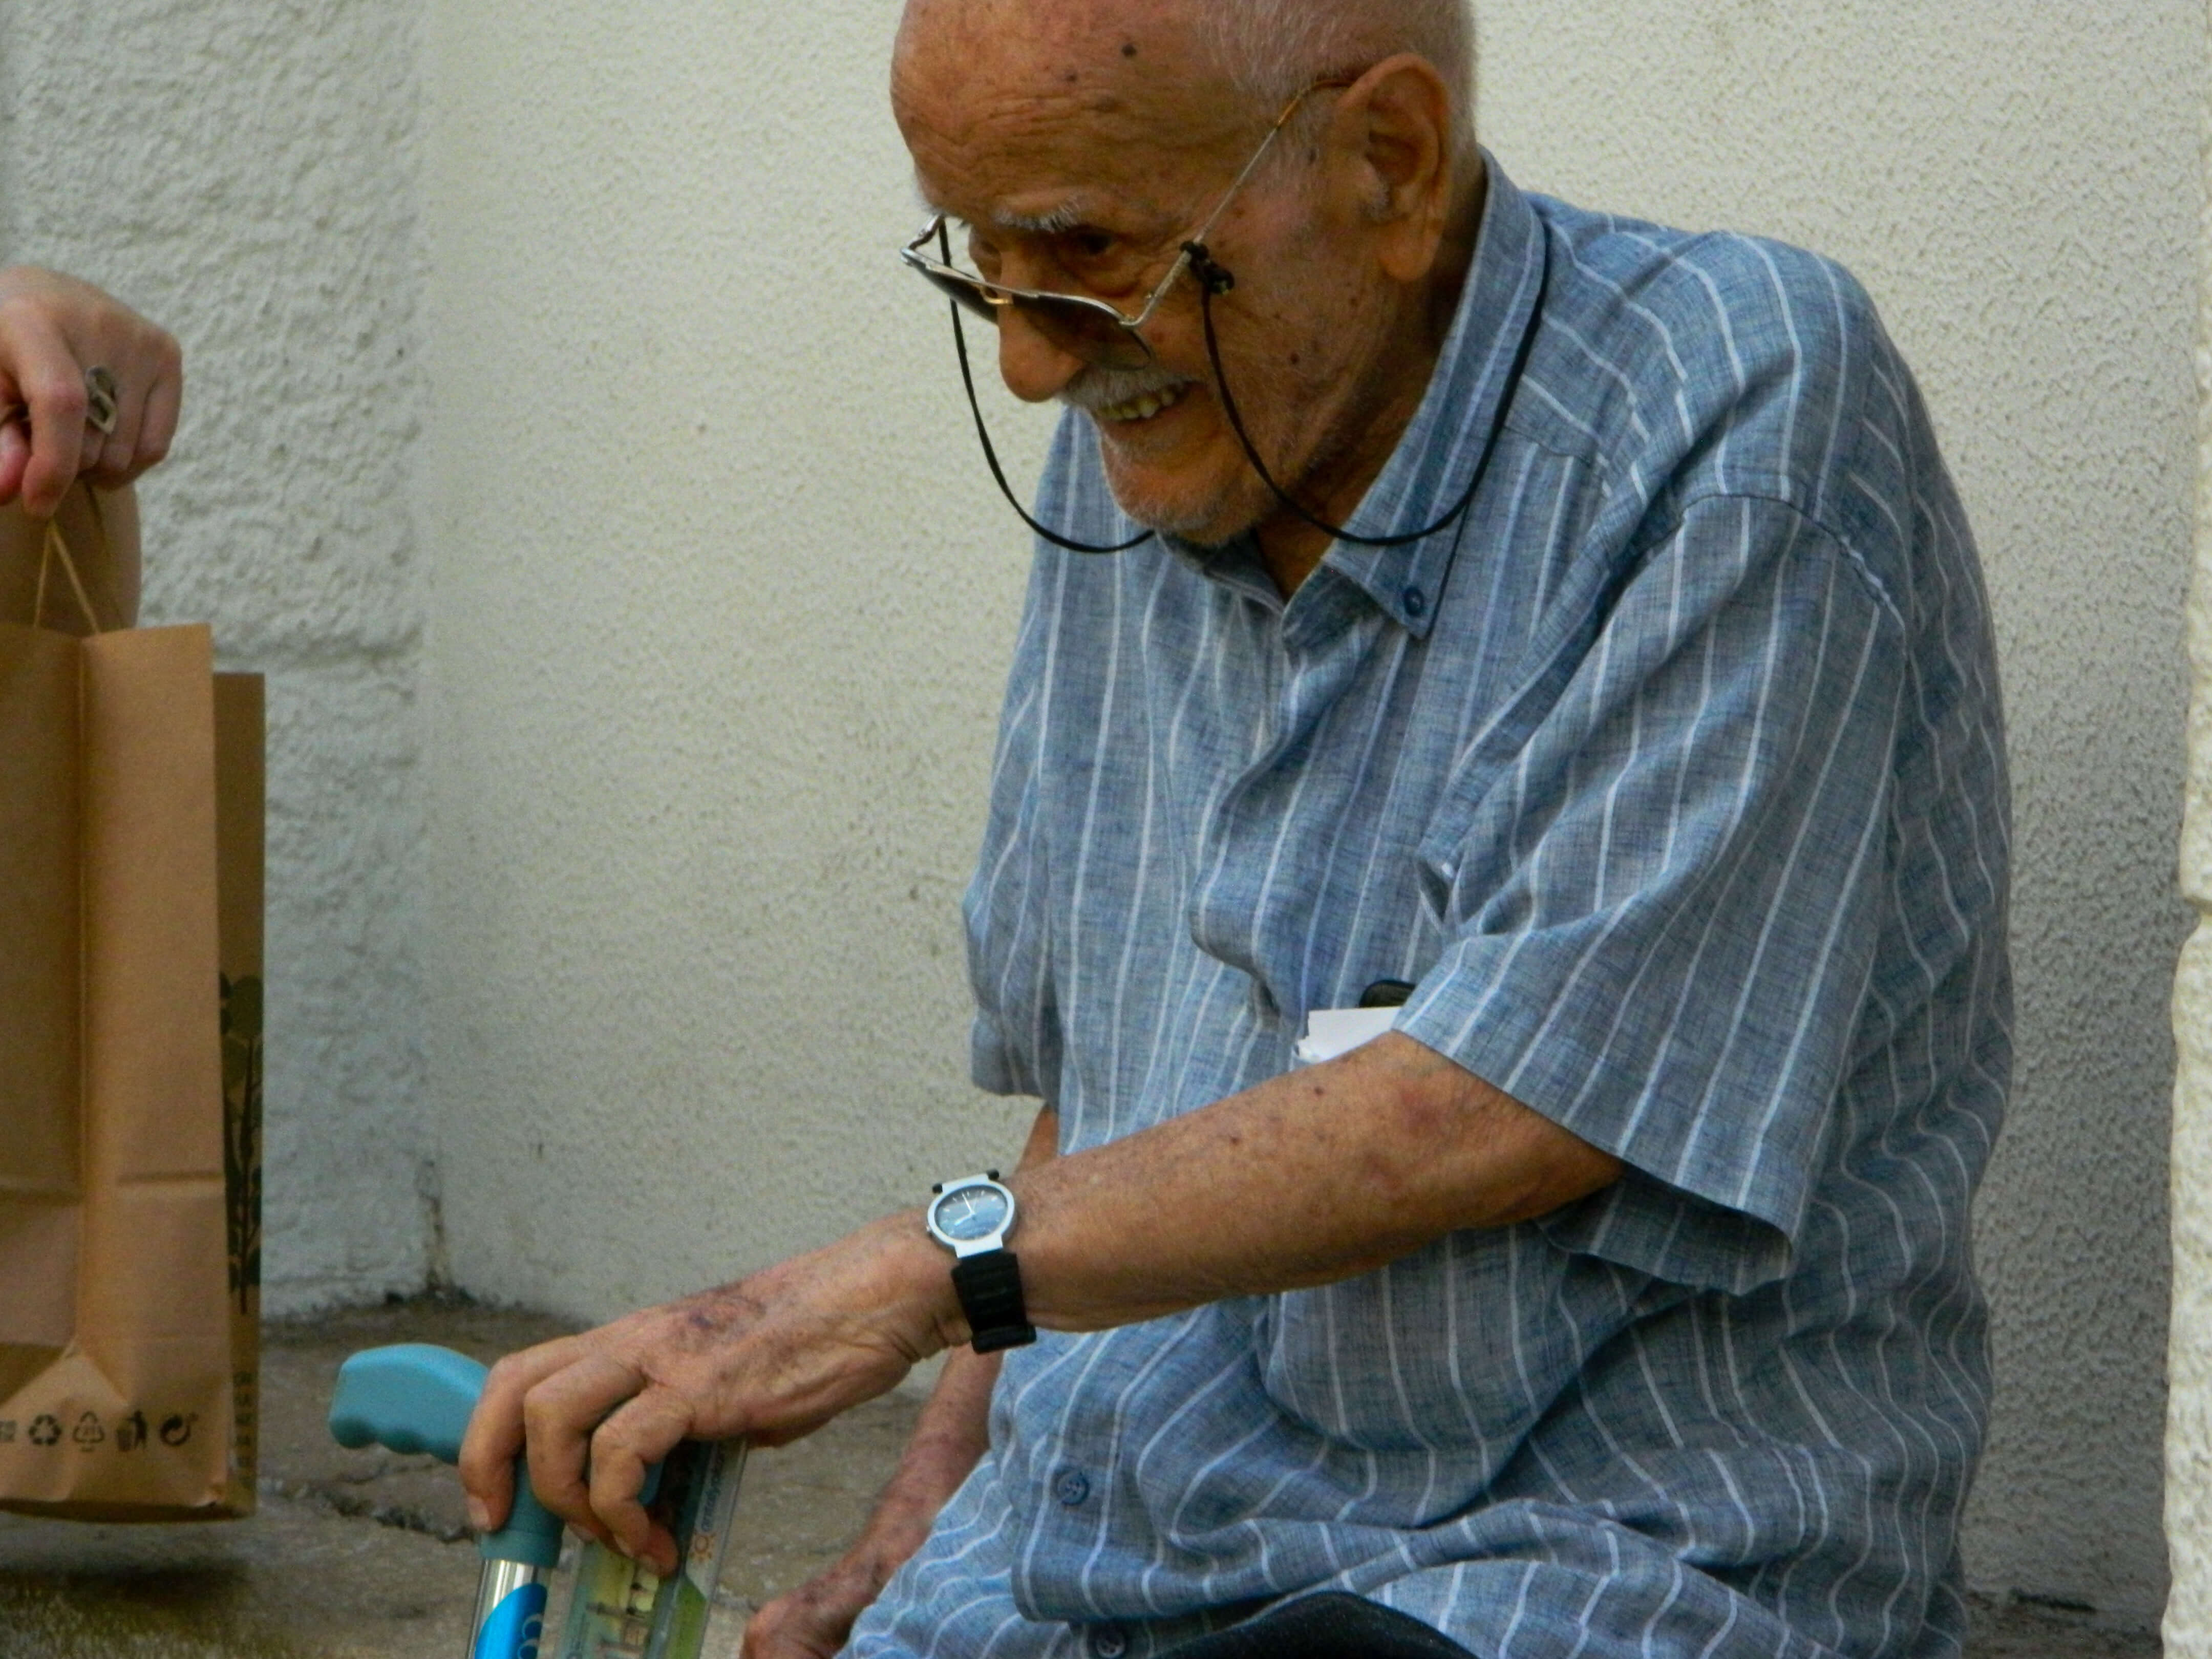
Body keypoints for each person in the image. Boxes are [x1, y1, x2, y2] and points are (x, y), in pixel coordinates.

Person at [459, 2, 2010, 1655]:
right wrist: (917, 1526)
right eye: (983, 260)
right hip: (1096, 1573)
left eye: (1084, 251)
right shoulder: (1147, 436)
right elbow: (1107, 1100)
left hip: (1557, 1572)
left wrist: (902, 1277)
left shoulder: (1734, 400)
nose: (1033, 361)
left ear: (1389, 163)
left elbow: (1515, 1104)